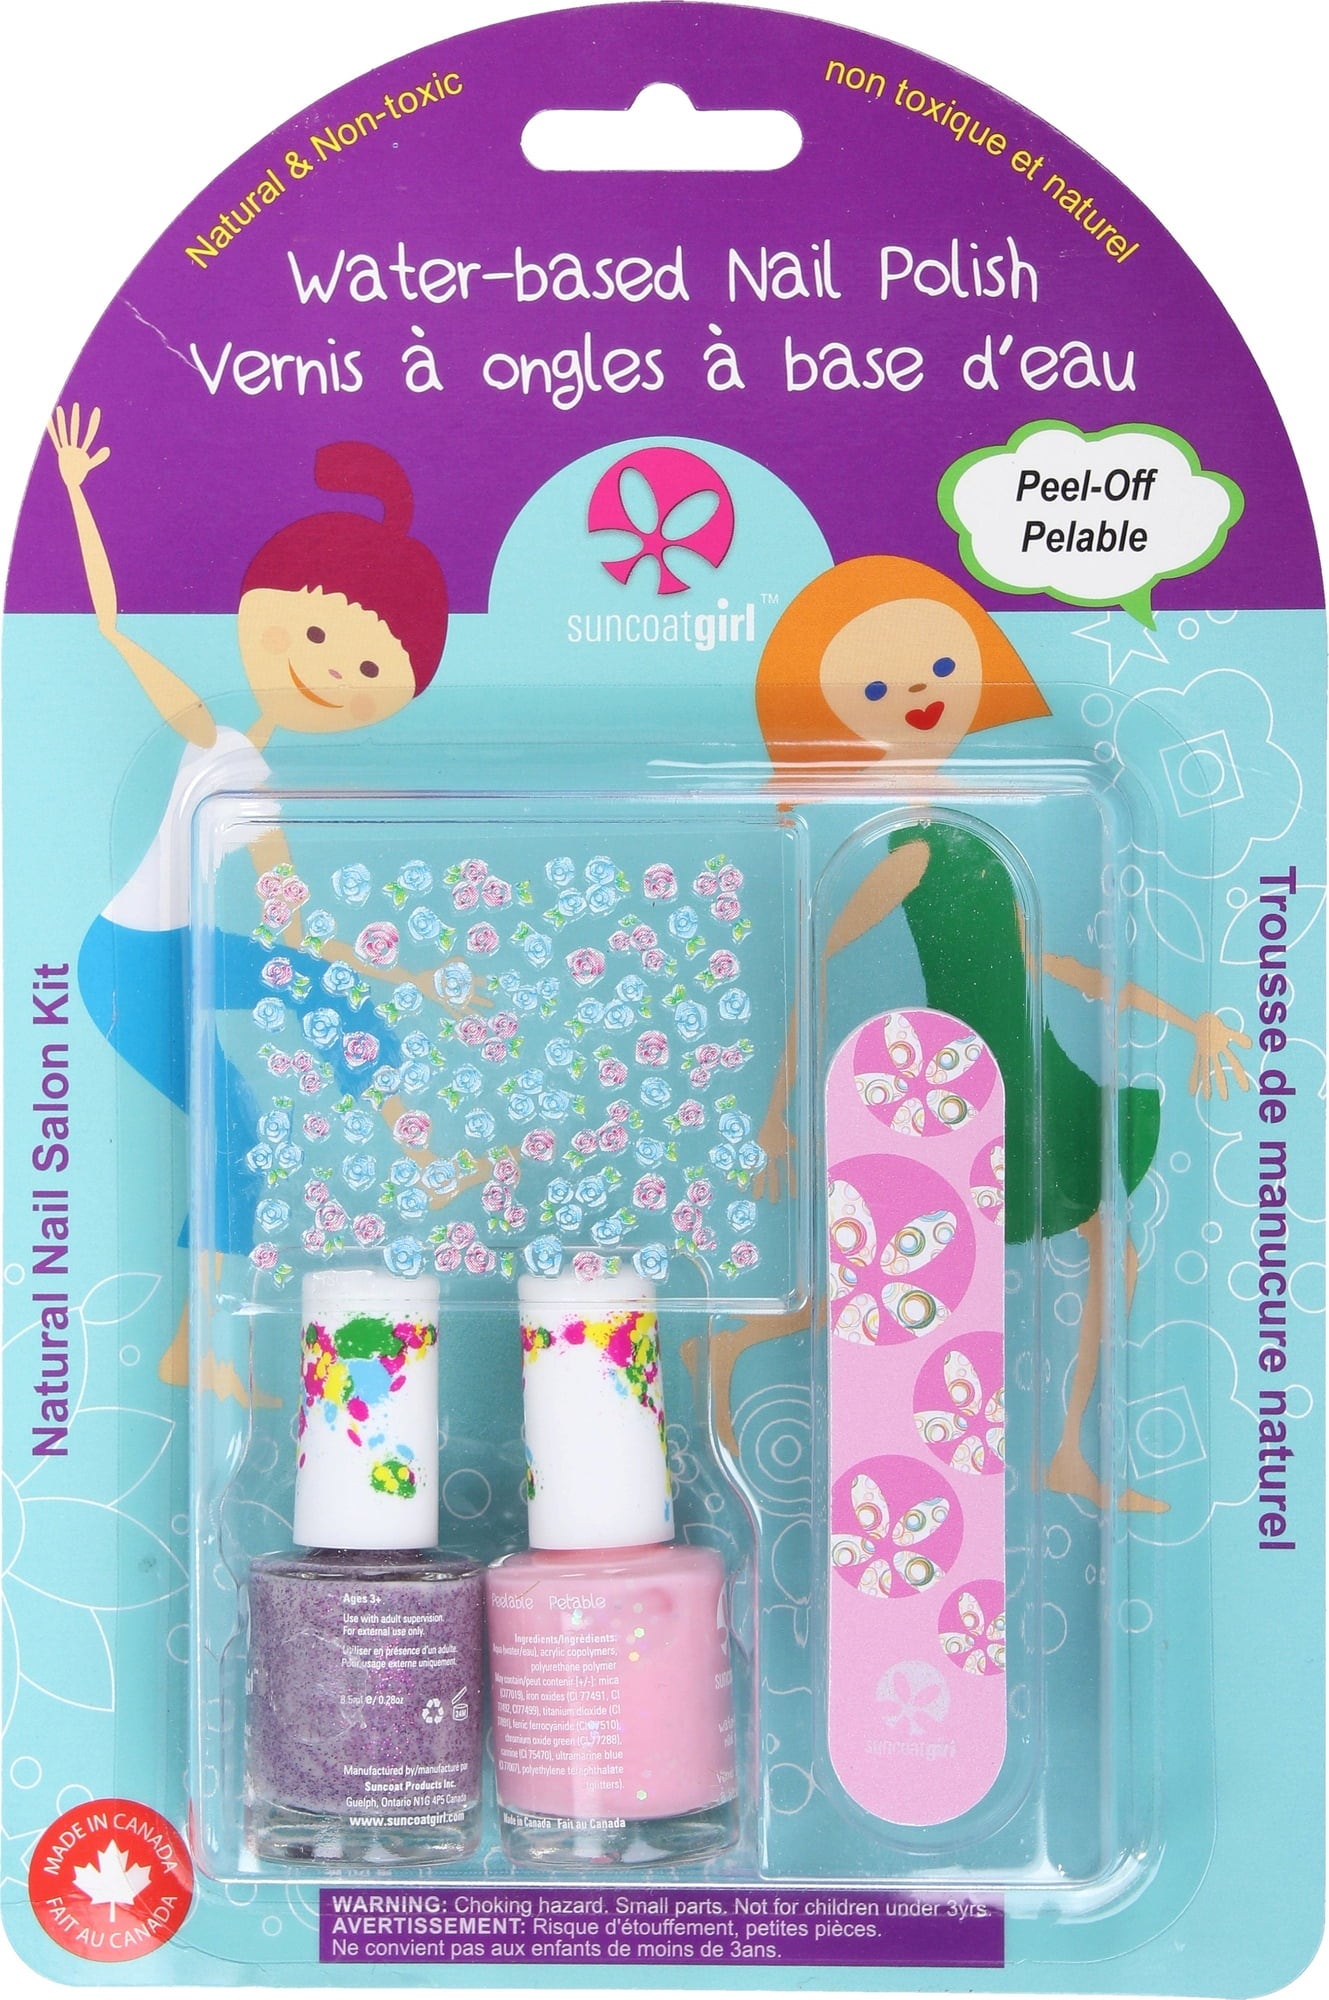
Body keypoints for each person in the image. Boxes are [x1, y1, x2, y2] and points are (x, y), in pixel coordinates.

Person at [721, 554, 1250, 1511]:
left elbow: (1052, 964)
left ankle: (1067, 1451)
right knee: (896, 1280)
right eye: (877, 689)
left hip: (1027, 1061)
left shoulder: (977, 838)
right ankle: (737, 1343)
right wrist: (776, 1110)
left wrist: (1189, 1018)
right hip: (957, 1081)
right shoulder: (907, 850)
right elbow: (814, 965)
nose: (916, 695)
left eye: (935, 669)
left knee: (1109, 1245)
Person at [48, 406, 461, 1394]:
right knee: (235, 1133)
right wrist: (74, 493)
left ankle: (411, 1160)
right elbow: (108, 628)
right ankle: (196, 1348)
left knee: (302, 1044)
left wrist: (402, 979)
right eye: (317, 633)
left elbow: (294, 930)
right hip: (129, 956)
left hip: (181, 947)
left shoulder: (262, 792)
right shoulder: (211, 735)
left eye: (368, 668)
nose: (331, 670)